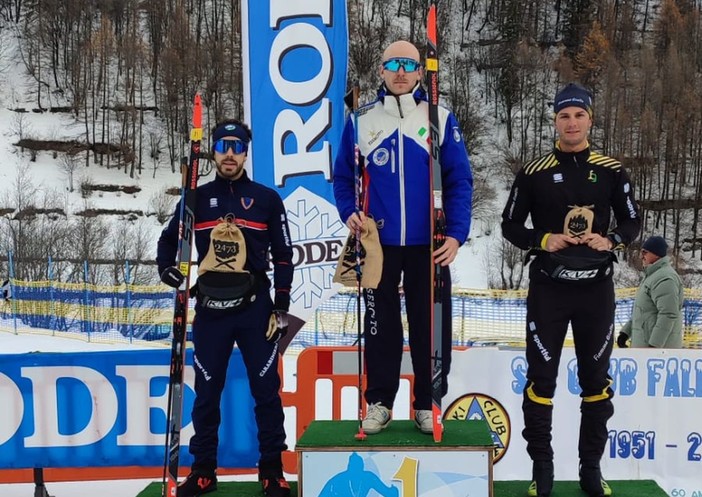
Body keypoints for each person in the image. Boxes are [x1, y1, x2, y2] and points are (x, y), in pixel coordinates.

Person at [501, 83, 641, 497]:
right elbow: (510, 225)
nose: (572, 122)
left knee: (596, 380)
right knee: (541, 380)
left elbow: (633, 221)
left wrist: (612, 240)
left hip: (595, 293)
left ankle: (590, 468)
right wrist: (543, 240)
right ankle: (541, 468)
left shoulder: (613, 170)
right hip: (549, 289)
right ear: (555, 121)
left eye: (579, 115)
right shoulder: (533, 170)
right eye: (564, 115)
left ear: (590, 119)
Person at [333, 40, 473, 435]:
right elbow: (343, 177)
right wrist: (349, 212)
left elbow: (460, 180)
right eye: (391, 64)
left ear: (419, 72)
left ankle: (428, 402)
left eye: (408, 65)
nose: (399, 71)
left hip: (429, 244)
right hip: (379, 244)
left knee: (429, 325)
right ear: (381, 70)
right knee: (381, 327)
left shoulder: (439, 117)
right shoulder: (361, 119)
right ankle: (379, 402)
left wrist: (457, 235)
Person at [157, 120, 294, 497]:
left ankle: (271, 470)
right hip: (211, 312)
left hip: (256, 311)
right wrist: (168, 269)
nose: (230, 153)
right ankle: (203, 470)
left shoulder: (266, 199)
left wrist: (280, 307)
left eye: (237, 146)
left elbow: (284, 256)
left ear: (246, 152)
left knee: (266, 391)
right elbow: (168, 242)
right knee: (207, 393)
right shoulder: (195, 199)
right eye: (222, 146)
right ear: (213, 152)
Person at [617, 235, 684, 349]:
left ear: (656, 254)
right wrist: (625, 333)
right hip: (645, 348)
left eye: (645, 252)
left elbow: (668, 314)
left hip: (660, 353)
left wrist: (654, 345)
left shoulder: (665, 278)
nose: (641, 256)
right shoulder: (651, 276)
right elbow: (643, 312)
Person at [318, 452, 399, 497]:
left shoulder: (368, 477)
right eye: (353, 468)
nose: (356, 471)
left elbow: (387, 492)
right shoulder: (337, 480)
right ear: (348, 468)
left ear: (362, 467)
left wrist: (393, 490)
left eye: (359, 467)